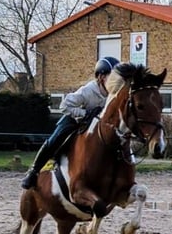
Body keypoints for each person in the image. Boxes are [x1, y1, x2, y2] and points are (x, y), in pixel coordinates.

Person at [21, 56, 120, 189]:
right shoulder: (88, 91)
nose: (116, 82)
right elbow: (64, 105)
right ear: (101, 77)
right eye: (112, 78)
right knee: (54, 140)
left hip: (97, 126)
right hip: (75, 120)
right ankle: (33, 171)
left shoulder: (114, 94)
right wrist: (84, 114)